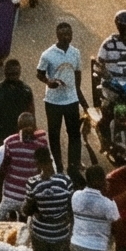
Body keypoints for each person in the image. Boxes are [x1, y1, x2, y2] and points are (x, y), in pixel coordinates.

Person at [37, 19, 87, 175]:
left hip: (71, 100)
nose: (66, 37)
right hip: (53, 101)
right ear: (57, 36)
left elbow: (77, 74)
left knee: (74, 133)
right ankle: (58, 165)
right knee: (54, 134)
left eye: (68, 34)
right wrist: (48, 82)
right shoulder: (47, 54)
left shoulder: (75, 53)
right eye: (62, 34)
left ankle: (74, 164)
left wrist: (79, 96)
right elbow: (39, 73)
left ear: (72, 35)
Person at [71, 166, 121, 251]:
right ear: (97, 181)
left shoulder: (76, 196)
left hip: (76, 245)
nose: (106, 182)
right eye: (103, 179)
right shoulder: (107, 204)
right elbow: (119, 226)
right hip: (95, 249)